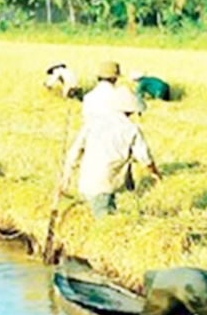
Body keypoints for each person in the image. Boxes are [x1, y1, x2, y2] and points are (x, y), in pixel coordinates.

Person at [61, 74, 161, 217]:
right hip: (104, 185)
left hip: (85, 181)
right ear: (132, 110)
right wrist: (156, 175)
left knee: (96, 212)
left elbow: (74, 152)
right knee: (105, 220)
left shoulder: (94, 122)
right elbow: (145, 160)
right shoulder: (131, 129)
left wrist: (66, 176)